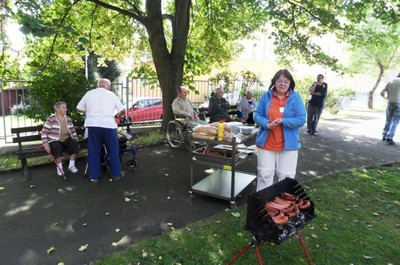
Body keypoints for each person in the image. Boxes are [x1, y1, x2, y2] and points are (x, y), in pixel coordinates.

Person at [253, 69, 306, 191]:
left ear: (290, 83)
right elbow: (256, 114)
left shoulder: (296, 98)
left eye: (286, 81)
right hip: (266, 144)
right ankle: (263, 205)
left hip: (289, 146)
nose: (283, 84)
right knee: (264, 175)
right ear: (274, 82)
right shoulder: (266, 96)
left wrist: (283, 121)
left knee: (286, 178)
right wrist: (266, 124)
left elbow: (302, 119)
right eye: (280, 81)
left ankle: (283, 207)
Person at [76, 78, 125, 183]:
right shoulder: (111, 94)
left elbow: (78, 108)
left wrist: (87, 111)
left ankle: (94, 177)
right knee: (113, 151)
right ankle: (116, 174)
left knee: (94, 151)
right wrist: (117, 115)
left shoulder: (89, 93)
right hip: (109, 126)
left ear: (98, 85)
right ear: (108, 86)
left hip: (93, 125)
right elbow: (122, 110)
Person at [41, 101, 80, 179]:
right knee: (56, 147)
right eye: (63, 107)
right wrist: (45, 144)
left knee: (73, 143)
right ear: (57, 109)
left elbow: (73, 131)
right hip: (54, 139)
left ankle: (71, 165)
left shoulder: (68, 118)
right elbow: (44, 132)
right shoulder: (51, 118)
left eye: (66, 107)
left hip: (65, 138)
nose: (66, 109)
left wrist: (76, 140)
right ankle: (60, 167)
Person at [380, 72, 400, 145]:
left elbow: (382, 93)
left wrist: (386, 98)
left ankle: (384, 136)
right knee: (395, 120)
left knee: (388, 119)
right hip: (398, 103)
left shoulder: (391, 81)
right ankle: (390, 137)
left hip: (389, 102)